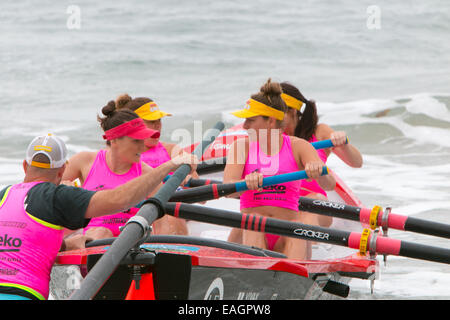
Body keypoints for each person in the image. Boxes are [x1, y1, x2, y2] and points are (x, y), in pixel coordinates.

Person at [0, 133, 197, 300]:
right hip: (22, 292)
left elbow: (23, 235)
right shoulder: (57, 196)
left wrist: (65, 246)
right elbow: (119, 199)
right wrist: (169, 166)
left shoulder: (4, 195)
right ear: (62, 170)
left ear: (25, 166)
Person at [223, 79, 335, 259]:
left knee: (298, 228)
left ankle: (292, 275)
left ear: (271, 121)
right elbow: (228, 189)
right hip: (253, 230)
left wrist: (320, 170)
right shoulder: (240, 147)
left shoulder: (300, 146)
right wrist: (244, 184)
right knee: (255, 220)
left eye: (250, 120)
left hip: (288, 232)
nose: (244, 126)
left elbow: (329, 185)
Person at [114, 94, 202, 234]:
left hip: (166, 208)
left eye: (159, 120)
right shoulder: (119, 154)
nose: (157, 125)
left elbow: (201, 198)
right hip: (131, 212)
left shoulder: (171, 149)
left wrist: (187, 177)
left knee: (170, 214)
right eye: (151, 121)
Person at [280, 81, 363, 228]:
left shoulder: (320, 132)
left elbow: (357, 162)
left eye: (277, 111)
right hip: (281, 201)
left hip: (315, 203)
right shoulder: (272, 135)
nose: (272, 117)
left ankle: (304, 246)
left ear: (293, 110)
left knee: (309, 206)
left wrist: (344, 145)